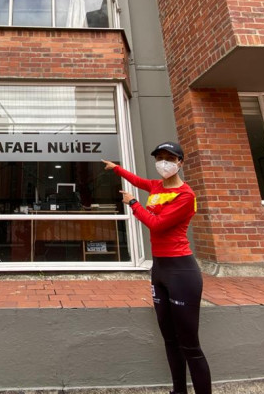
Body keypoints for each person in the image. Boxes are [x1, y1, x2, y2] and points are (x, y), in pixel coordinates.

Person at [102, 141, 211, 394]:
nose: (163, 163)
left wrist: (133, 203)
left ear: (180, 162)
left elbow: (158, 225)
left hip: (181, 271)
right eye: (160, 158)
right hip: (159, 270)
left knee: (190, 345)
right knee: (170, 340)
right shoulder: (157, 186)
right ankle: (178, 391)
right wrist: (116, 169)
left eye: (169, 158)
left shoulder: (185, 195)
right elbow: (138, 181)